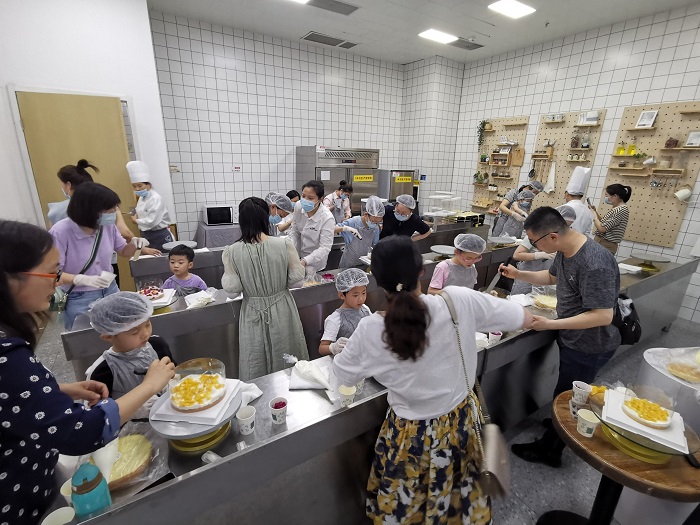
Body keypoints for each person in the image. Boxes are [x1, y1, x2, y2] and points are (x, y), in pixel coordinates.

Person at [333, 236, 532, 523]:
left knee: (408, 505)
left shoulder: (370, 329)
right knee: (457, 497)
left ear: (377, 280)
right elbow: (522, 317)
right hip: (460, 424)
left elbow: (343, 374)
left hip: (409, 435)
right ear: (421, 271)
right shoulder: (458, 300)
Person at [0, 220, 175, 524]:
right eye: (51, 272)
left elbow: (12, 401)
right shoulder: (8, 356)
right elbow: (82, 431)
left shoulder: (156, 345)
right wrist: (148, 385)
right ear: (10, 279)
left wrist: (54, 391)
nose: (57, 282)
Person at [501, 207, 620, 468]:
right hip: (572, 336)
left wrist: (552, 324)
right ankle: (558, 424)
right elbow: (551, 276)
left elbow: (603, 316)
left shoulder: (595, 262)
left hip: (589, 342)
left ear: (552, 236)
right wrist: (519, 274)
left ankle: (551, 450)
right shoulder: (567, 251)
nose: (535, 247)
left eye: (535, 242)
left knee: (570, 396)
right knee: (564, 391)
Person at [222, 197, 309, 380]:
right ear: (265, 217)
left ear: (241, 221)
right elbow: (297, 283)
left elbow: (232, 292)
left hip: (252, 311)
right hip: (282, 308)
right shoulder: (284, 244)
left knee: (255, 359)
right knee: (287, 356)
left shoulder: (231, 251)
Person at [49, 183, 150, 330]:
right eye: (109, 211)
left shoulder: (107, 226)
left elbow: (123, 251)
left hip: (110, 289)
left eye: (115, 209)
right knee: (87, 337)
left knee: (118, 332)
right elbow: (53, 274)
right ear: (89, 211)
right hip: (79, 297)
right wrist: (80, 279)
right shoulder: (60, 232)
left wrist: (135, 245)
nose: (114, 213)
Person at [86, 292, 174, 401]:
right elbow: (99, 410)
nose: (146, 334)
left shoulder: (158, 345)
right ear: (108, 337)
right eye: (134, 332)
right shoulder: (103, 371)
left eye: (147, 324)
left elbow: (174, 376)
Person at [510, 205, 575, 295]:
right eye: (563, 225)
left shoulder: (563, 239)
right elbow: (517, 255)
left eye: (568, 226)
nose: (564, 230)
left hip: (544, 279)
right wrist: (540, 255)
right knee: (519, 300)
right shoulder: (538, 233)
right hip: (528, 275)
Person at [318, 268, 371, 356]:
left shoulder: (365, 309)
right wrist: (333, 347)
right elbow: (322, 348)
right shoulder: (335, 319)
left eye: (364, 293)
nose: (361, 299)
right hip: (346, 360)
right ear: (341, 295)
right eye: (355, 295)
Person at [288, 180, 336, 274]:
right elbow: (295, 230)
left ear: (320, 199)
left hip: (315, 263)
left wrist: (305, 261)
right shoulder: (299, 206)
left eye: (310, 198)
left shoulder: (327, 218)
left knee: (312, 281)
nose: (305, 200)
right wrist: (290, 248)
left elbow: (325, 248)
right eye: (303, 196)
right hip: (298, 256)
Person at [127, 160, 174, 252]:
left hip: (159, 235)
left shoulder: (156, 198)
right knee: (149, 258)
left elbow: (152, 221)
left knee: (163, 257)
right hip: (146, 234)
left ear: (148, 185)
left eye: (140, 186)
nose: (137, 189)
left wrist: (136, 221)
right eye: (134, 186)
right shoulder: (142, 198)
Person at [334, 195, 384, 268]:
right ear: (366, 214)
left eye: (378, 222)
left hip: (364, 265)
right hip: (348, 264)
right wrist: (345, 228)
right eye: (373, 222)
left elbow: (374, 246)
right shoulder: (354, 222)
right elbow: (332, 229)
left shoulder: (375, 228)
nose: (375, 224)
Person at [46, 159, 96, 226]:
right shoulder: (102, 205)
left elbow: (52, 231)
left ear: (68, 186)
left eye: (62, 184)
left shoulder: (57, 212)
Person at [590, 183, 632, 255]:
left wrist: (594, 216)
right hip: (601, 243)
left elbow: (602, 228)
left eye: (607, 196)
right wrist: (595, 212)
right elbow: (603, 223)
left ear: (615, 196)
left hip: (605, 245)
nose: (606, 198)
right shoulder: (617, 209)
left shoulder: (620, 209)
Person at [564, 166, 594, 236]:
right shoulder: (588, 211)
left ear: (567, 194)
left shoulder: (564, 208)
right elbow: (587, 232)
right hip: (581, 242)